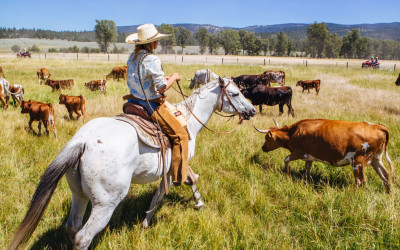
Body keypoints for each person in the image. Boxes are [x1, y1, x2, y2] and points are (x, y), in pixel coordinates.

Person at [125, 23, 196, 186]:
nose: (158, 43)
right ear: (151, 43)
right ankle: (180, 176)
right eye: (156, 40)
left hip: (133, 101)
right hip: (151, 104)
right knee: (181, 135)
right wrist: (174, 77)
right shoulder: (152, 59)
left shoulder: (132, 57)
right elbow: (162, 87)